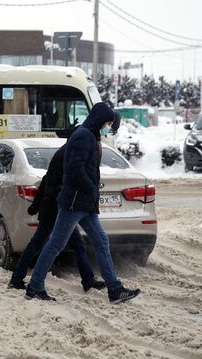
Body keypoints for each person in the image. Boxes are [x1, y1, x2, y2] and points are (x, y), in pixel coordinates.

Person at [25, 103, 140, 304]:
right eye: (107, 123)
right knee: (55, 244)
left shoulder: (89, 135)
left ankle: (114, 290)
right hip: (74, 202)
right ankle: (35, 287)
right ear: (99, 120)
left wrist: (91, 191)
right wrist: (91, 188)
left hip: (84, 203)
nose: (108, 127)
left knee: (101, 241)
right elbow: (75, 169)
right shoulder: (83, 136)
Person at [8, 143, 106, 293]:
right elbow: (53, 182)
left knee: (75, 243)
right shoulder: (70, 154)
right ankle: (17, 279)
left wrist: (36, 204)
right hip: (56, 208)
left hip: (58, 207)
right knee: (39, 243)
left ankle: (88, 280)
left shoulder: (66, 152)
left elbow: (47, 180)